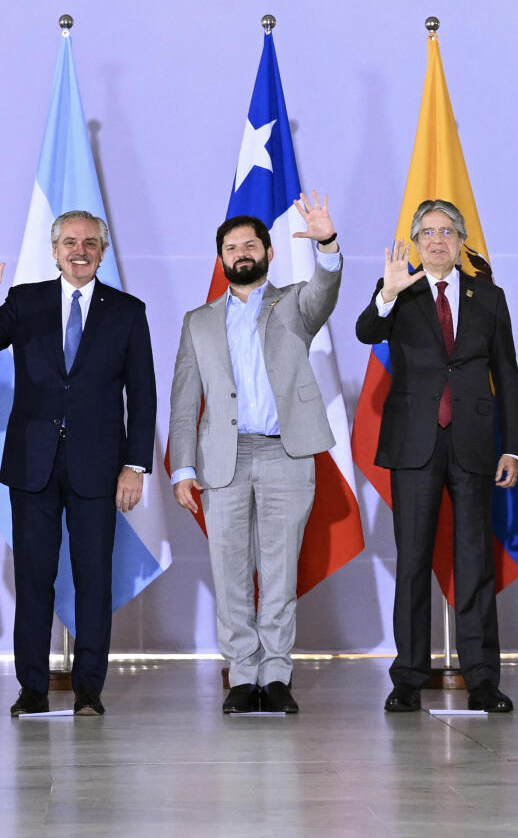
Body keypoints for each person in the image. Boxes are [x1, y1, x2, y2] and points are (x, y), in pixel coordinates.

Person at [0, 212, 155, 718]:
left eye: (90, 242)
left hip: (99, 467)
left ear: (103, 251)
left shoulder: (128, 311)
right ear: (54, 250)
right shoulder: (26, 301)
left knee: (94, 579)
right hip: (32, 465)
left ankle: (89, 688)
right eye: (70, 242)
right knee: (34, 579)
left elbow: (143, 393)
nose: (80, 250)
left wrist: (135, 465)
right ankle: (33, 688)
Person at [166, 191, 343, 716]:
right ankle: (242, 675)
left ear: (267, 252)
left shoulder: (292, 304)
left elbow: (325, 290)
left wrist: (328, 244)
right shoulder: (197, 321)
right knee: (230, 568)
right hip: (222, 458)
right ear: (220, 259)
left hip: (286, 454)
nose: (240, 253)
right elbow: (183, 400)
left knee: (279, 567)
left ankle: (277, 673)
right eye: (230, 247)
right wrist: (181, 467)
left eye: (250, 244)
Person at [355, 199, 518, 715]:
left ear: (461, 240)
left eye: (447, 231)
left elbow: (508, 374)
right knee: (412, 563)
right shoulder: (399, 292)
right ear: (414, 241)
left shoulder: (488, 296)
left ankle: (482, 679)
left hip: (474, 441)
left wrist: (513, 446)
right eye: (427, 232)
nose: (436, 240)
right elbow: (367, 330)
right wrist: (386, 292)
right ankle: (408, 677)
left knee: (475, 562)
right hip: (415, 442)